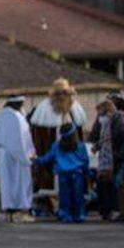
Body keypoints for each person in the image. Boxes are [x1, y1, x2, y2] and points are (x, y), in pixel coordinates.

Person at [27, 78, 84, 215]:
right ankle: (51, 207)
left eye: (64, 93)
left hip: (71, 159)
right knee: (50, 183)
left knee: (74, 189)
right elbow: (39, 137)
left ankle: (74, 211)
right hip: (53, 155)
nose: (62, 97)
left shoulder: (74, 108)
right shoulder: (43, 109)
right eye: (58, 93)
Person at [33, 123, 89, 223]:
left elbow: (47, 158)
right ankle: (79, 215)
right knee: (78, 196)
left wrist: (35, 160)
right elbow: (85, 161)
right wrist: (89, 173)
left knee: (64, 197)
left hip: (63, 175)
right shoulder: (80, 146)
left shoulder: (57, 146)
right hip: (77, 175)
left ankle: (65, 215)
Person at [0, 96, 35, 223]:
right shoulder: (15, 116)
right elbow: (20, 139)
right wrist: (27, 156)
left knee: (7, 184)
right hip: (18, 156)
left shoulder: (1, 115)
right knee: (20, 185)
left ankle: (9, 212)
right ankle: (20, 211)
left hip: (5, 155)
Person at [90, 100, 118, 220]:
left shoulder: (108, 122)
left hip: (108, 158)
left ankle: (107, 209)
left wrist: (98, 146)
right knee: (106, 184)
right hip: (107, 157)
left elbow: (106, 139)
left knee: (106, 184)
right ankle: (107, 208)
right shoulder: (108, 122)